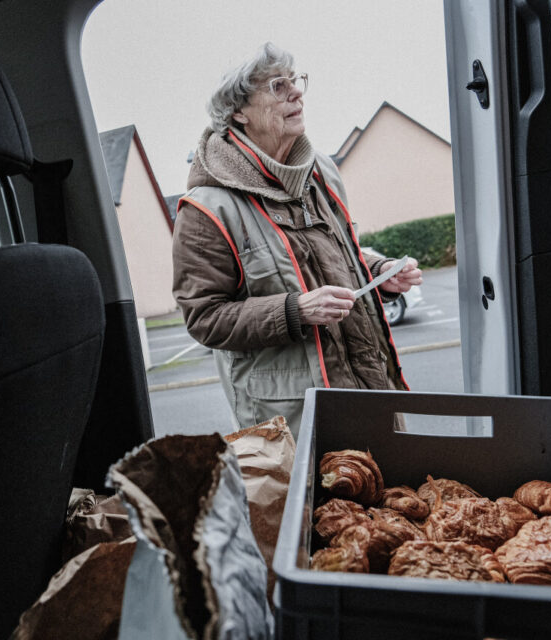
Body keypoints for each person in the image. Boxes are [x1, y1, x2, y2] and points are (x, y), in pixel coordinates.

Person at [172, 42, 422, 438]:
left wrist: (378, 272)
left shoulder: (321, 172)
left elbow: (338, 252)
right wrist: (295, 310)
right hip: (293, 421)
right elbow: (204, 317)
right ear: (239, 112)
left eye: (295, 80)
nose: (296, 92)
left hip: (371, 391)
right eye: (277, 86)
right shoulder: (208, 207)